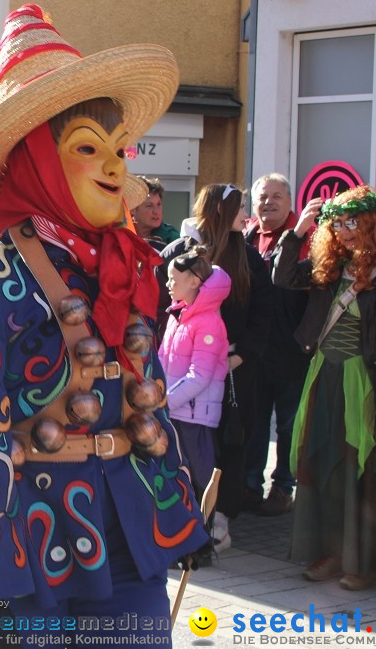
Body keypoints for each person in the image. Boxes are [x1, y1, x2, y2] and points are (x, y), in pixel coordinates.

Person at [0, 5, 207, 646]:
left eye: (120, 148)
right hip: (19, 543)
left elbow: (147, 401)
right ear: (35, 160)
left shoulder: (123, 267)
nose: (118, 168)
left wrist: (173, 507)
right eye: (89, 148)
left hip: (127, 535)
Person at [272, 185, 376, 591]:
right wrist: (297, 232)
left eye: (351, 222)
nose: (343, 230)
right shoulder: (329, 266)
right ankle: (332, 552)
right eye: (336, 224)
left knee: (362, 472)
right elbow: (282, 277)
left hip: (365, 383)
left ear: (373, 223)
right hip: (323, 378)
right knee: (323, 466)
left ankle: (363, 562)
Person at [160, 184, 272, 550]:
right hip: (189, 371)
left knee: (230, 439)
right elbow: (167, 298)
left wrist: (238, 357)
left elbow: (262, 316)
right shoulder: (187, 253)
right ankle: (188, 517)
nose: (248, 215)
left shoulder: (250, 258)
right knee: (190, 444)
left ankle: (220, 516)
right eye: (242, 208)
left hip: (235, 368)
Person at [242, 173, 311, 516]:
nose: (268, 202)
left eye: (276, 196)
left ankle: (283, 486)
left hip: (293, 351)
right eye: (262, 197)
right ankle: (251, 485)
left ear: (290, 201)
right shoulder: (247, 235)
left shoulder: (307, 237)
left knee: (287, 425)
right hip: (256, 350)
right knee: (254, 422)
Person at [159, 247, 231, 499]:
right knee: (178, 478)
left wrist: (164, 401)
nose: (168, 284)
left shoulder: (209, 322)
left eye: (173, 280)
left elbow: (199, 376)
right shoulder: (176, 315)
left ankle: (207, 533)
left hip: (194, 416)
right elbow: (161, 358)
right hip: (174, 412)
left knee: (200, 480)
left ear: (193, 282)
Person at [133, 176, 180, 249]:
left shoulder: (173, 239)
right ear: (132, 209)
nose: (156, 211)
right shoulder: (119, 236)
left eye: (159, 204)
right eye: (149, 205)